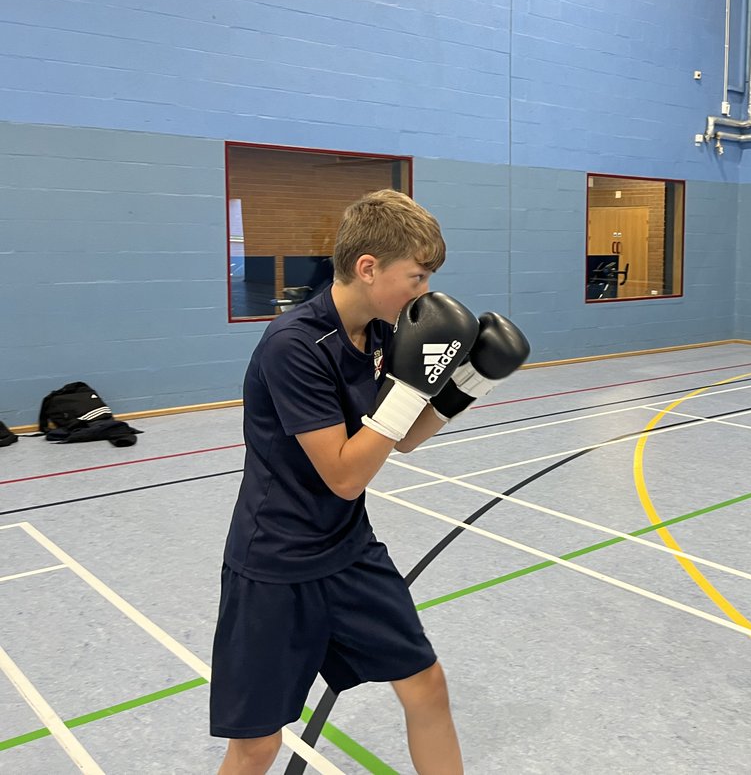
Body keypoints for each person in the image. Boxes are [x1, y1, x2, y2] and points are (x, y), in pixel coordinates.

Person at [210, 189, 529, 775]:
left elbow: (400, 437)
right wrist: (410, 387)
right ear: (367, 268)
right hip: (276, 564)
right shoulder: (294, 347)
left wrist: (471, 384)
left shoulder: (382, 335)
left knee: (426, 685)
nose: (424, 293)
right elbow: (345, 474)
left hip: (349, 551)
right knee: (258, 745)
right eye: (416, 276)